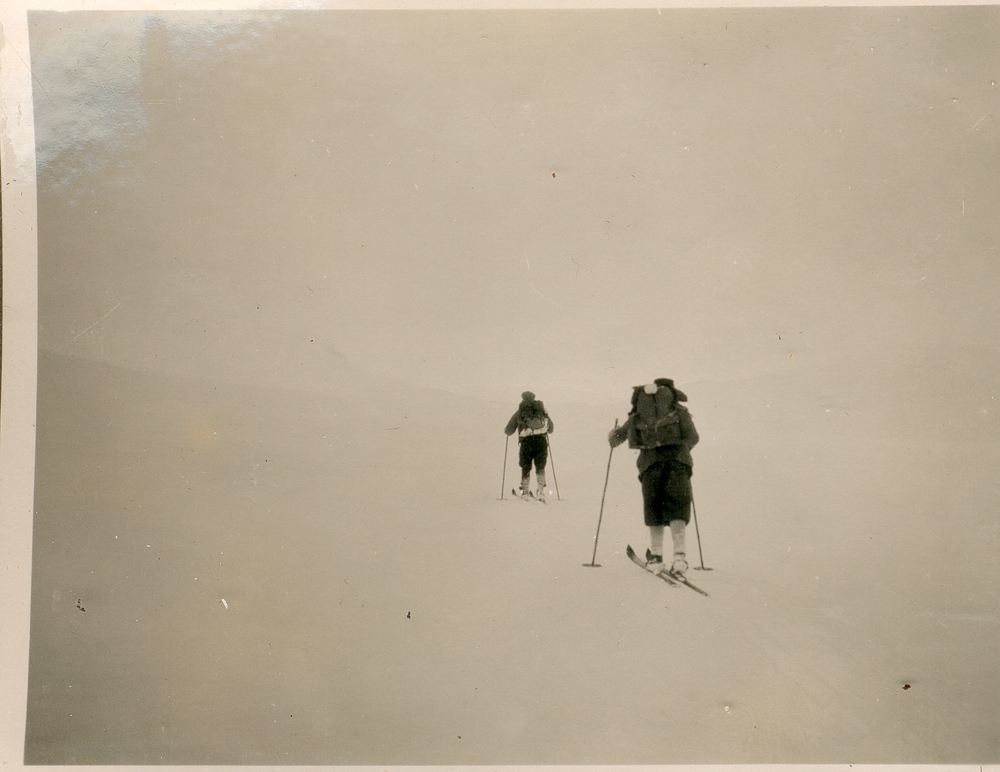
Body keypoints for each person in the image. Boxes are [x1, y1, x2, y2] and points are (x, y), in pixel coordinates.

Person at [608, 378, 699, 576]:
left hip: (650, 464)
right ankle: (680, 557)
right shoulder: (679, 411)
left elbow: (617, 438)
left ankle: (656, 557)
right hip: (678, 462)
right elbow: (693, 437)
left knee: (654, 508)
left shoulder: (638, 414)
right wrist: (682, 451)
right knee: (678, 507)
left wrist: (613, 434)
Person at [504, 391, 555, 502]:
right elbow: (551, 429)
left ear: (523, 398)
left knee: (526, 466)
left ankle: (525, 492)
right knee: (540, 466)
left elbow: (509, 429)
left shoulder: (520, 412)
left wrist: (507, 431)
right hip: (541, 441)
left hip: (526, 442)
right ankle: (541, 491)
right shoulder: (541, 411)